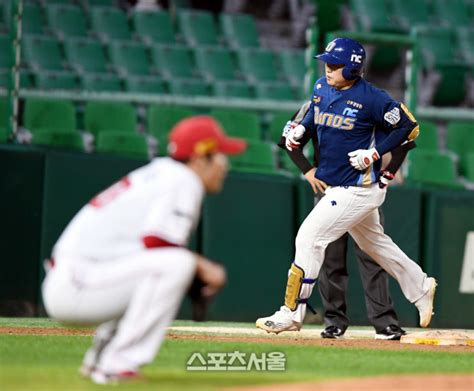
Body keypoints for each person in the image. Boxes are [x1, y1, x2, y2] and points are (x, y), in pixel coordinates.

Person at [42, 116, 246, 384]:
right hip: (78, 286)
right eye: (219, 155)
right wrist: (204, 268)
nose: (225, 164)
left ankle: (100, 361)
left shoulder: (163, 173)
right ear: (199, 159)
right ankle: (117, 365)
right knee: (176, 264)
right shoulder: (183, 180)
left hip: (79, 279)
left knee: (166, 266)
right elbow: (158, 244)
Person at [256, 37, 437, 335]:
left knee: (309, 238)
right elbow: (319, 113)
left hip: (358, 187)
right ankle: (420, 286)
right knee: (374, 244)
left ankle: (291, 312)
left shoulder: (373, 98)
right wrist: (304, 127)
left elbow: (410, 128)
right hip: (336, 185)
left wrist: (376, 154)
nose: (328, 69)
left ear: (353, 68)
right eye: (326, 63)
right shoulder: (320, 87)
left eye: (335, 65)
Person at [278, 102, 412, 340]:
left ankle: (385, 324)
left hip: (363, 189)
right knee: (330, 258)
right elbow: (288, 139)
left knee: (373, 256)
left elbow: (404, 139)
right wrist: (308, 171)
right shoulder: (315, 104)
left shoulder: (370, 104)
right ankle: (334, 321)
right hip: (329, 188)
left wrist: (389, 172)